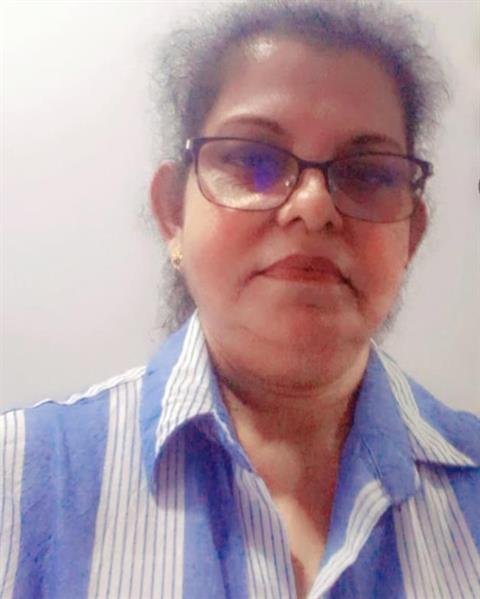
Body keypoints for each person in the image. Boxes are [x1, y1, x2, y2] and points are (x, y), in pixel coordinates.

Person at [1, 1, 479, 598]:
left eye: (367, 173)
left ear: (412, 234)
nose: (313, 207)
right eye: (253, 160)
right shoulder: (18, 481)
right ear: (173, 213)